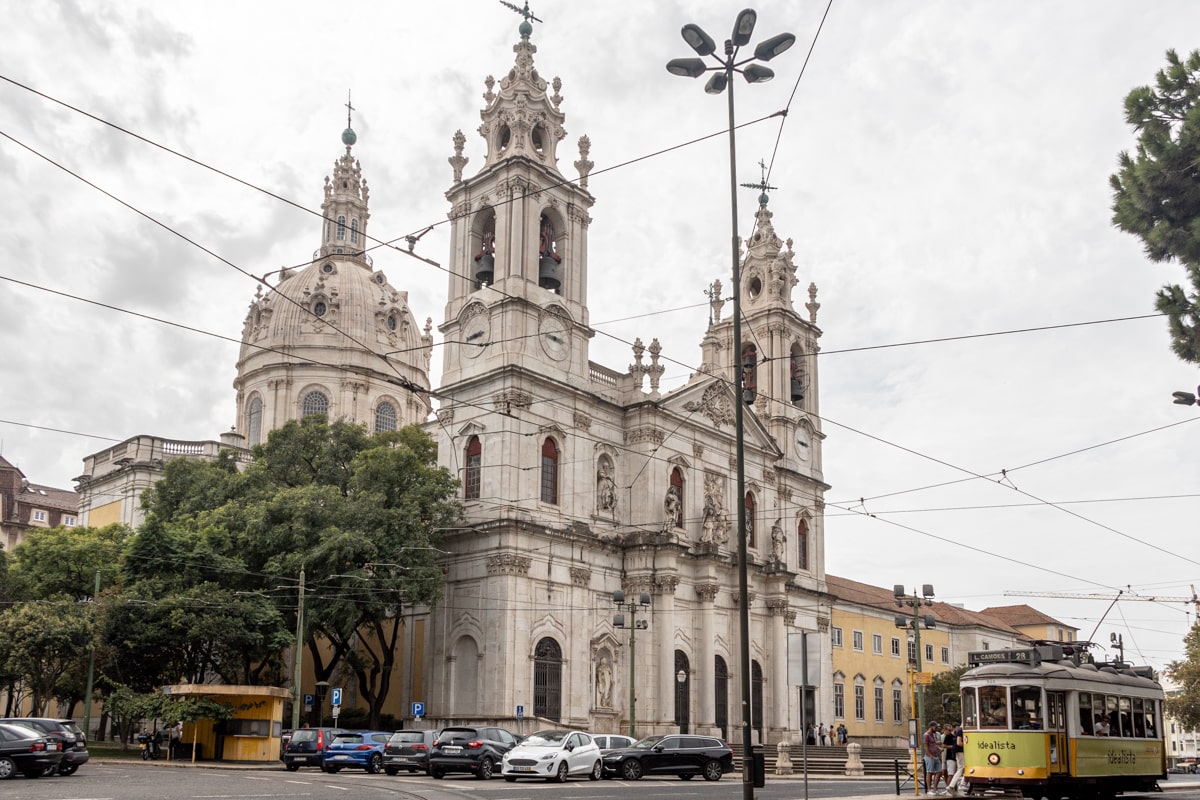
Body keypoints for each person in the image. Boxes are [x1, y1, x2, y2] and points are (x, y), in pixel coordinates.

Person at [923, 721, 946, 795]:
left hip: (936, 755)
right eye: (935, 727)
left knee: (939, 772)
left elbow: (933, 745)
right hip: (930, 756)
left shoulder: (933, 735)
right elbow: (926, 746)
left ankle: (935, 788)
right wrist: (930, 755)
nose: (936, 728)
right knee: (929, 772)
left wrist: (939, 749)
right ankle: (929, 789)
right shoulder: (926, 735)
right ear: (931, 727)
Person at [946, 724, 965, 796]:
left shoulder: (960, 730)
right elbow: (959, 743)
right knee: (961, 768)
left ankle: (961, 784)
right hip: (960, 752)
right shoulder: (960, 730)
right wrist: (969, 744)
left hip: (960, 752)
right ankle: (952, 786)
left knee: (964, 768)